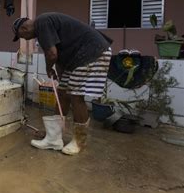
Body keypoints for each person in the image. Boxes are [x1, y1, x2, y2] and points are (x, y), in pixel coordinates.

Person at [12, 13, 112, 155]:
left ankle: (79, 142)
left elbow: (52, 54)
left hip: (92, 53)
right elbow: (58, 55)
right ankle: (53, 138)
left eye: (22, 36)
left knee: (76, 96)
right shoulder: (45, 24)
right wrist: (59, 75)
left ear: (24, 28)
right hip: (79, 56)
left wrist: (48, 68)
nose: (25, 39)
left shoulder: (42, 23)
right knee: (62, 93)